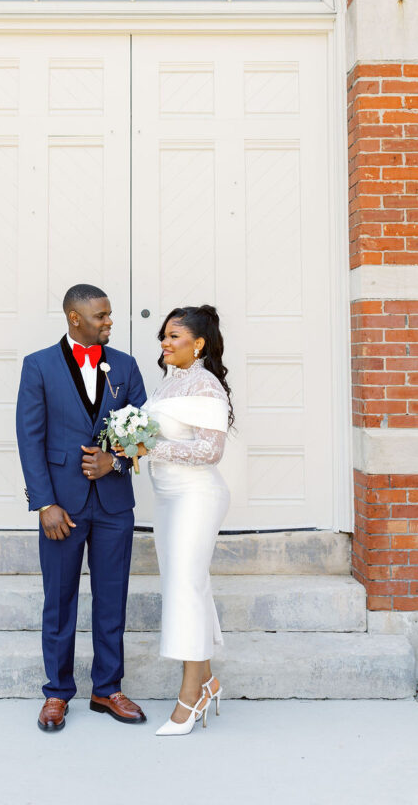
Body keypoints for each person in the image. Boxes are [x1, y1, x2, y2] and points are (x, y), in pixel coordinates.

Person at [16, 284, 147, 733]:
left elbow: (145, 429)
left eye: (110, 315)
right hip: (62, 508)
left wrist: (119, 459)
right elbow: (29, 438)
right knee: (60, 601)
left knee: (112, 600)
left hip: (114, 505)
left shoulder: (125, 366)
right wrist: (44, 503)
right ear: (75, 317)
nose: (109, 322)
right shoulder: (38, 365)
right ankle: (57, 691)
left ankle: (107, 688)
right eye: (101, 316)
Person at [141, 305, 234, 736]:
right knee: (189, 586)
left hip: (196, 496)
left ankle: (191, 693)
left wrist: (147, 450)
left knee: (185, 589)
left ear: (197, 344)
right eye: (163, 335)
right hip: (168, 498)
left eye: (173, 336)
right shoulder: (168, 383)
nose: (164, 342)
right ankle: (210, 680)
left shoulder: (205, 384)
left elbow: (210, 451)